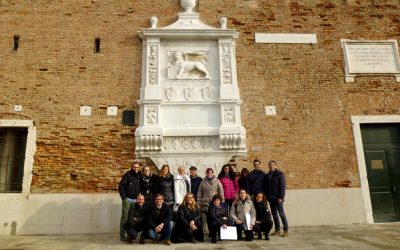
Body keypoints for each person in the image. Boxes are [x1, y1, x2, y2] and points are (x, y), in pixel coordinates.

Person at [118, 161, 142, 241]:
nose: (136, 168)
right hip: (127, 199)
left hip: (136, 200)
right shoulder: (127, 175)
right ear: (132, 167)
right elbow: (121, 187)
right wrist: (124, 198)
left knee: (133, 218)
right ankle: (122, 235)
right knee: (125, 217)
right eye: (134, 167)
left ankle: (130, 234)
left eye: (137, 167)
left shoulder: (140, 175)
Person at [197, 168, 225, 233]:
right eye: (208, 172)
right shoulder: (202, 182)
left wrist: (222, 200)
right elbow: (199, 192)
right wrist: (199, 202)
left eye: (210, 172)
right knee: (208, 219)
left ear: (212, 173)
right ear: (206, 173)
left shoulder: (217, 181)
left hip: (215, 203)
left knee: (215, 218)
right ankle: (210, 232)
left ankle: (215, 232)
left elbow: (221, 191)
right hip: (205, 203)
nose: (209, 174)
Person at [265, 160, 288, 237]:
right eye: (270, 165)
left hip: (278, 199)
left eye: (273, 165)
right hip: (271, 199)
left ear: (275, 166)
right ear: (268, 166)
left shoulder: (280, 174)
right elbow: (267, 187)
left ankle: (286, 230)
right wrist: (267, 197)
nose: (271, 166)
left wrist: (281, 197)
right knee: (274, 215)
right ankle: (277, 230)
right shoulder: (268, 175)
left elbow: (283, 186)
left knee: (281, 214)